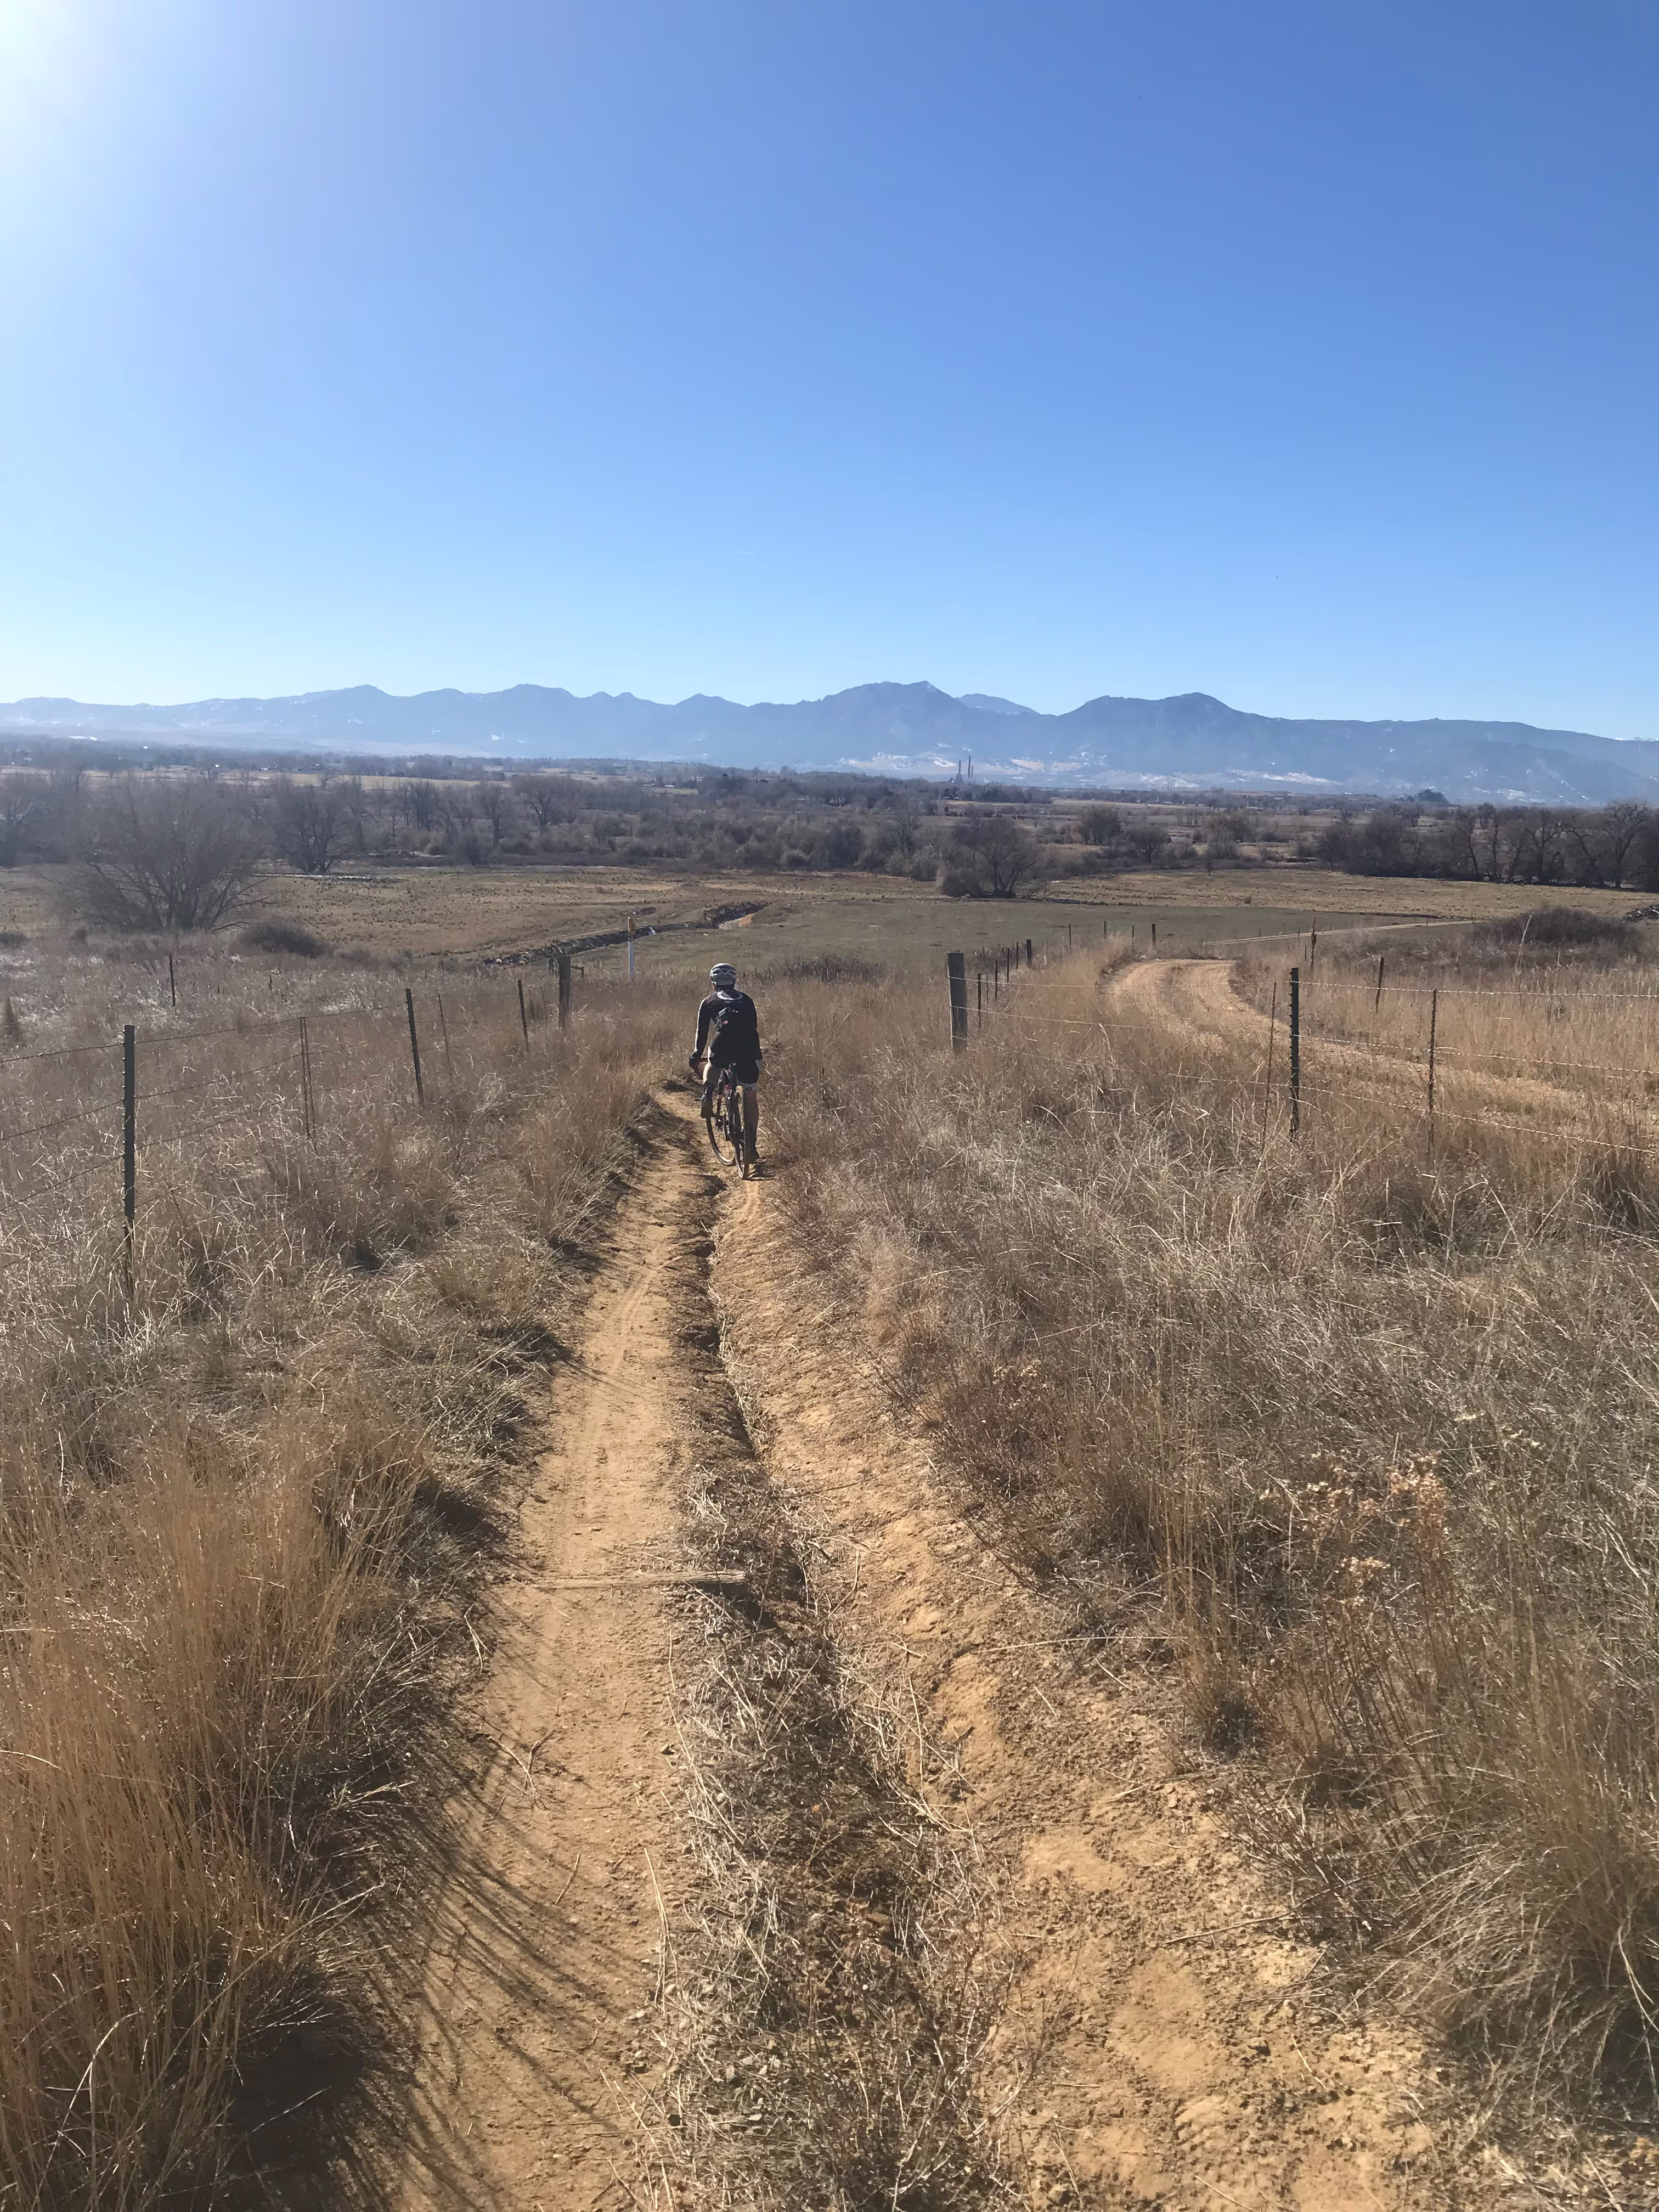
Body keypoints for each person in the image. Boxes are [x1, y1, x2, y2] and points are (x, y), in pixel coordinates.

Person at [690, 962, 762, 1171]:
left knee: (713, 1063)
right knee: (750, 1097)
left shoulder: (709, 1001)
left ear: (714, 984)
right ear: (734, 982)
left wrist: (696, 1055)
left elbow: (701, 1033)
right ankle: (752, 1144)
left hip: (723, 1042)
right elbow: (753, 1027)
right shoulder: (747, 1000)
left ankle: (708, 1094)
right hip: (749, 1046)